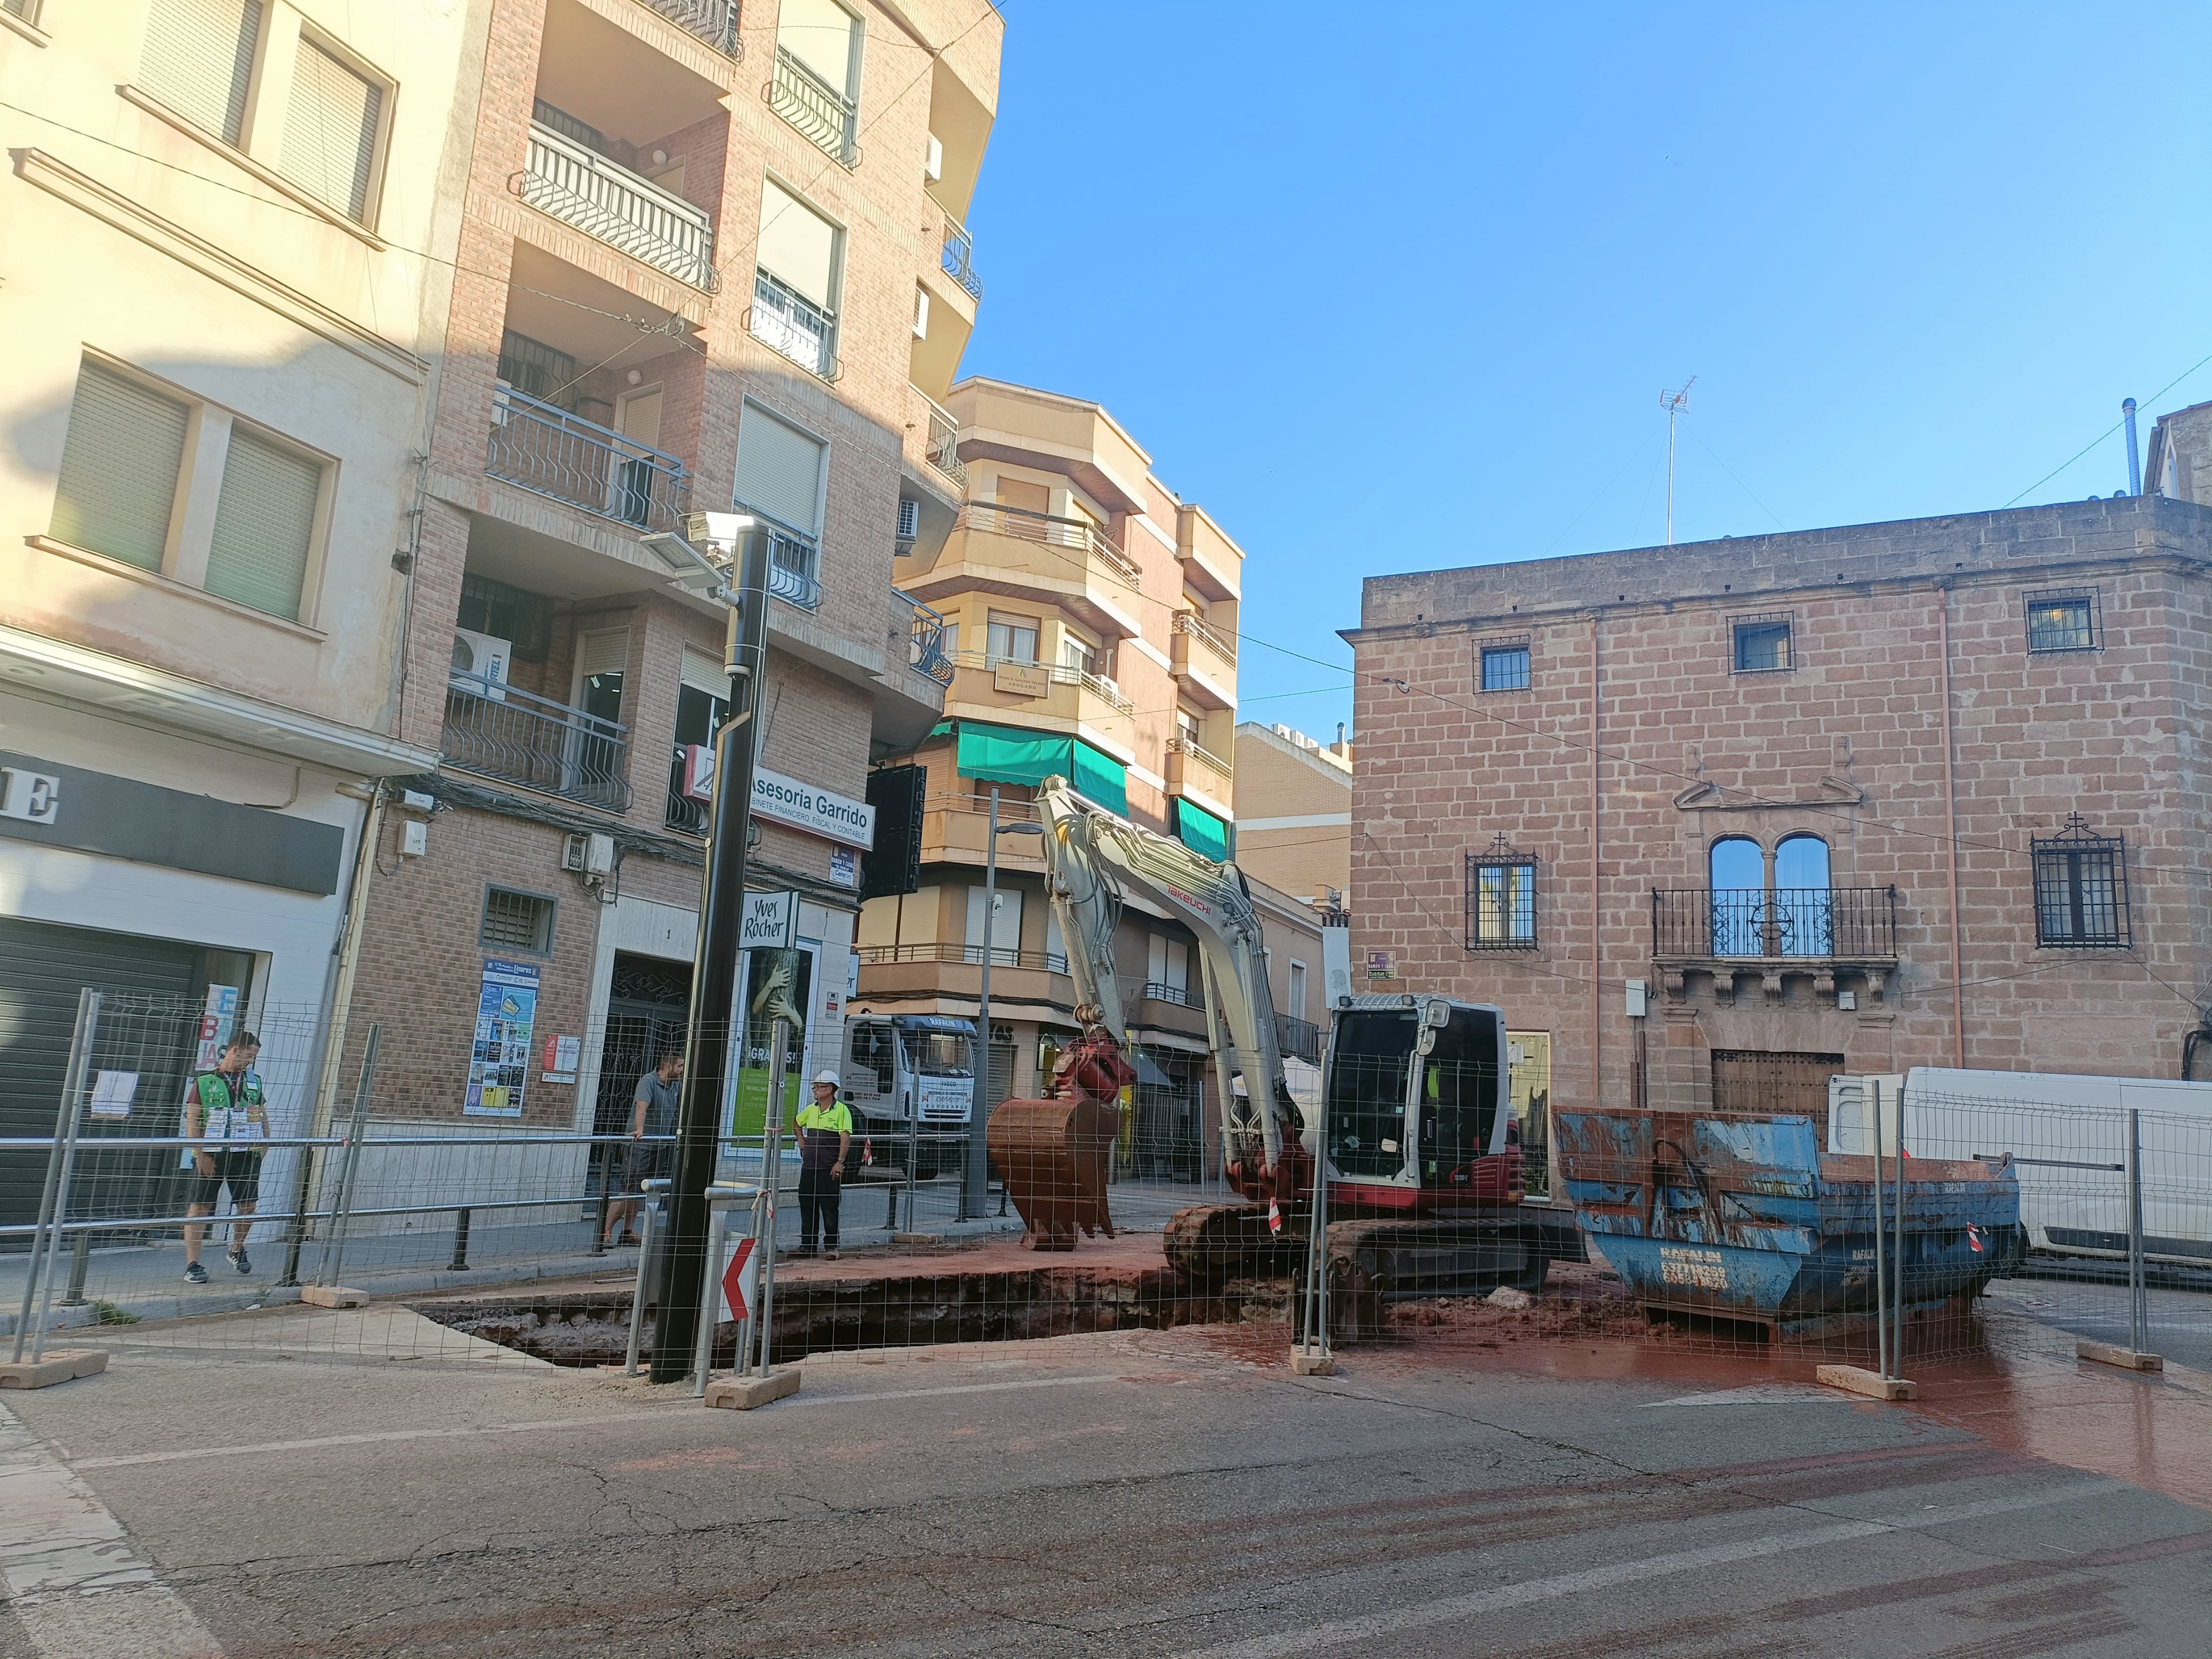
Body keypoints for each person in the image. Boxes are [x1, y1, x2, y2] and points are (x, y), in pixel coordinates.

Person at [183, 1031, 270, 1283]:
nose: (251, 1062)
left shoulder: (254, 1081)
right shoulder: (205, 1082)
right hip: (212, 1152)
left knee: (248, 1205)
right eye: (249, 1056)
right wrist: (199, 1153)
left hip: (245, 1152)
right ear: (234, 1051)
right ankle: (193, 1263)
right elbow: (192, 1118)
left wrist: (264, 1145)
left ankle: (237, 1249)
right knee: (200, 1207)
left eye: (255, 1057)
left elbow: (262, 1113)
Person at [605, 1050, 683, 1247]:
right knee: (628, 1189)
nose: (683, 1070)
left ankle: (627, 1231)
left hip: (660, 1144)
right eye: (680, 1066)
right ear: (668, 1066)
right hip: (640, 1145)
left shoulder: (675, 1086)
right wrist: (639, 1129)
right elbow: (642, 1107)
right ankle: (605, 1231)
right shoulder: (648, 1082)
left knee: (643, 1189)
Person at [793, 1069, 851, 1260]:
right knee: (807, 1205)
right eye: (815, 1087)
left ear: (830, 1089)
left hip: (828, 1167)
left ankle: (832, 1247)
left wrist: (840, 1162)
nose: (815, 1090)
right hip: (809, 1166)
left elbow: (845, 1138)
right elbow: (796, 1122)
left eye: (818, 1087)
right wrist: (802, 1141)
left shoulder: (842, 1110)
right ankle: (808, 1245)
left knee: (829, 1207)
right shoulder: (812, 1109)